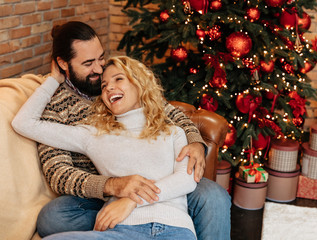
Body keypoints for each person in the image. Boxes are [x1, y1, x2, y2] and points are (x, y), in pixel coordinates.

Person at [31, 21, 231, 239]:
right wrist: (112, 186)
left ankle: (142, 217)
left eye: (101, 58)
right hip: (98, 193)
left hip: (158, 180)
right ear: (63, 63)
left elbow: (167, 113)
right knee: (53, 216)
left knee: (213, 196)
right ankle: (123, 221)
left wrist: (194, 141)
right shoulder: (55, 105)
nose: (99, 69)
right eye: (88, 63)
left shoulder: (114, 80)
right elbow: (58, 173)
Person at [12, 56, 199, 239]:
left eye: (119, 79)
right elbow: (24, 123)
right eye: (104, 85)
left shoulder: (173, 132)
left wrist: (131, 201)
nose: (109, 87)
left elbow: (187, 179)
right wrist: (54, 79)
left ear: (139, 83)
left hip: (174, 229)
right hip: (119, 231)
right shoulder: (94, 135)